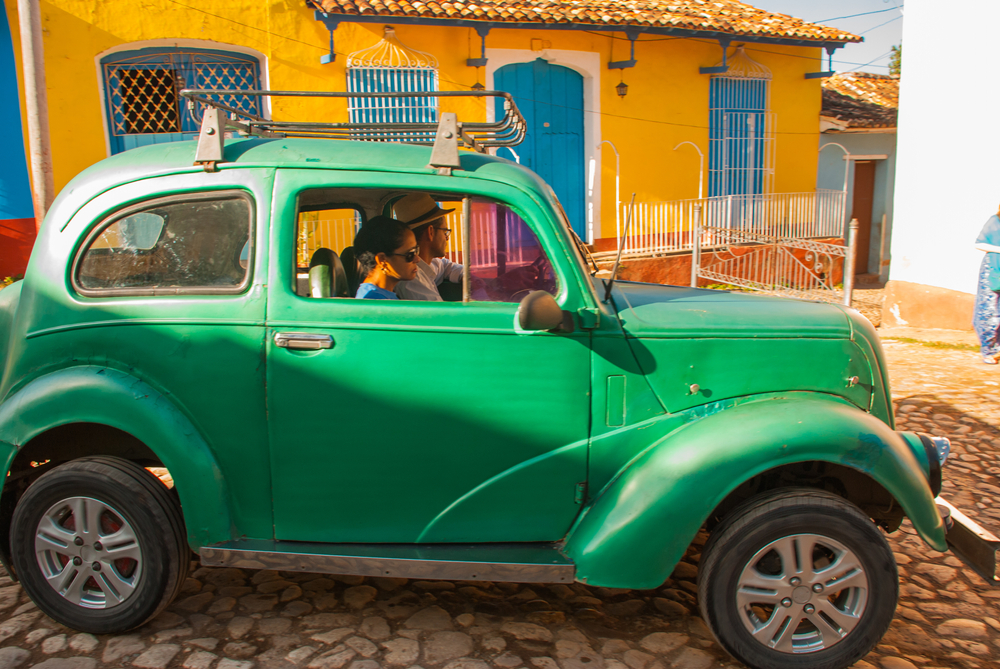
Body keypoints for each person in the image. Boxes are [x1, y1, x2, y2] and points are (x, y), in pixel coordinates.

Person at [392, 194, 464, 301]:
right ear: (430, 232)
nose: (446, 238)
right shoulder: (411, 280)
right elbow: (440, 316)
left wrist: (467, 276)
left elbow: (445, 266)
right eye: (445, 231)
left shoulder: (426, 265)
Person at [353, 216, 419, 300]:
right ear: (382, 260)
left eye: (416, 250)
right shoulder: (376, 303)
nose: (417, 259)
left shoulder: (380, 296)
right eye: (410, 254)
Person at [974, 208, 1000, 364]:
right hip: (993, 270)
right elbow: (979, 243)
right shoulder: (994, 221)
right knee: (989, 310)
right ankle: (988, 350)